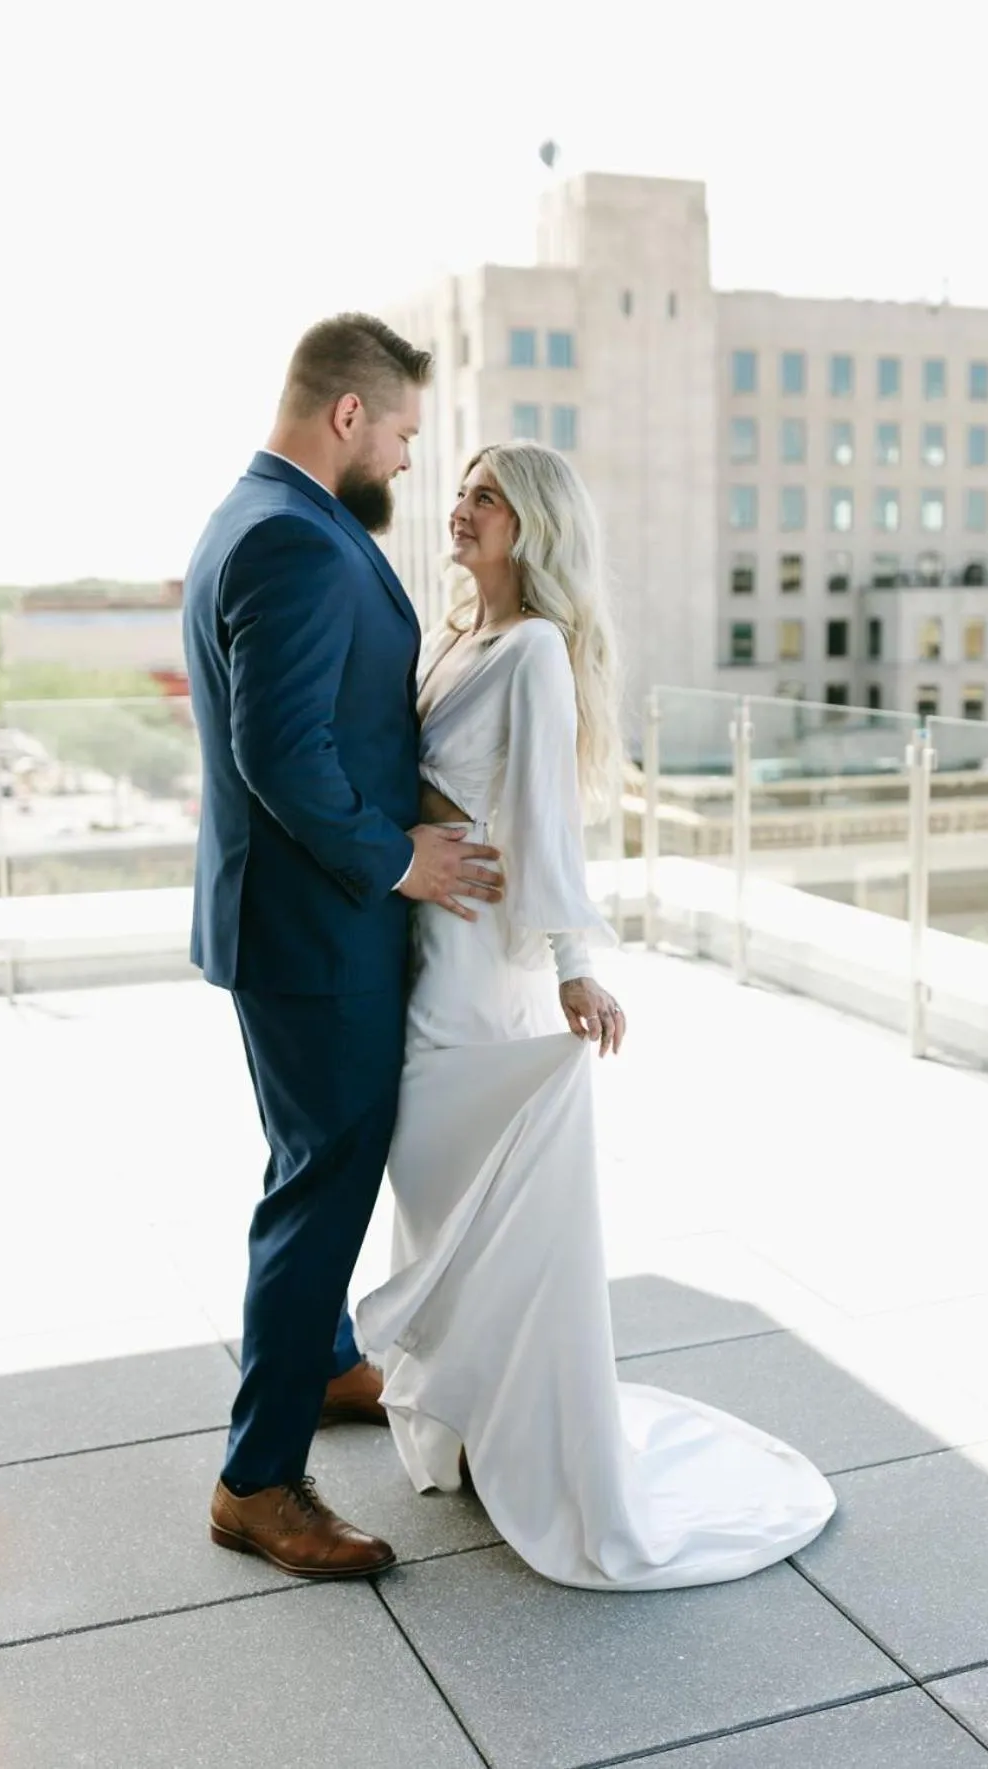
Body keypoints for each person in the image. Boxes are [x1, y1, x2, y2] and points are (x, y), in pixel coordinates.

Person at [356, 441, 836, 1589]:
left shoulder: (532, 650)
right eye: (462, 490)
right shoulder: (453, 635)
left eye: (486, 497)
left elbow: (545, 814)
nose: (461, 508)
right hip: (427, 931)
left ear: (532, 525)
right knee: (438, 1192)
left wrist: (575, 965)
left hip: (479, 960)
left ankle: (511, 1428)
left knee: (459, 1180)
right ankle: (472, 1418)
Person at [183, 315, 503, 1579]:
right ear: (350, 414)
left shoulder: (261, 515)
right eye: (406, 434)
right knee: (324, 1181)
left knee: (311, 1163)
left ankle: (318, 1366)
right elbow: (282, 752)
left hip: (289, 921)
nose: (411, 461)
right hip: (315, 928)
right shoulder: (292, 539)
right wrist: (398, 857)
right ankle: (257, 1482)